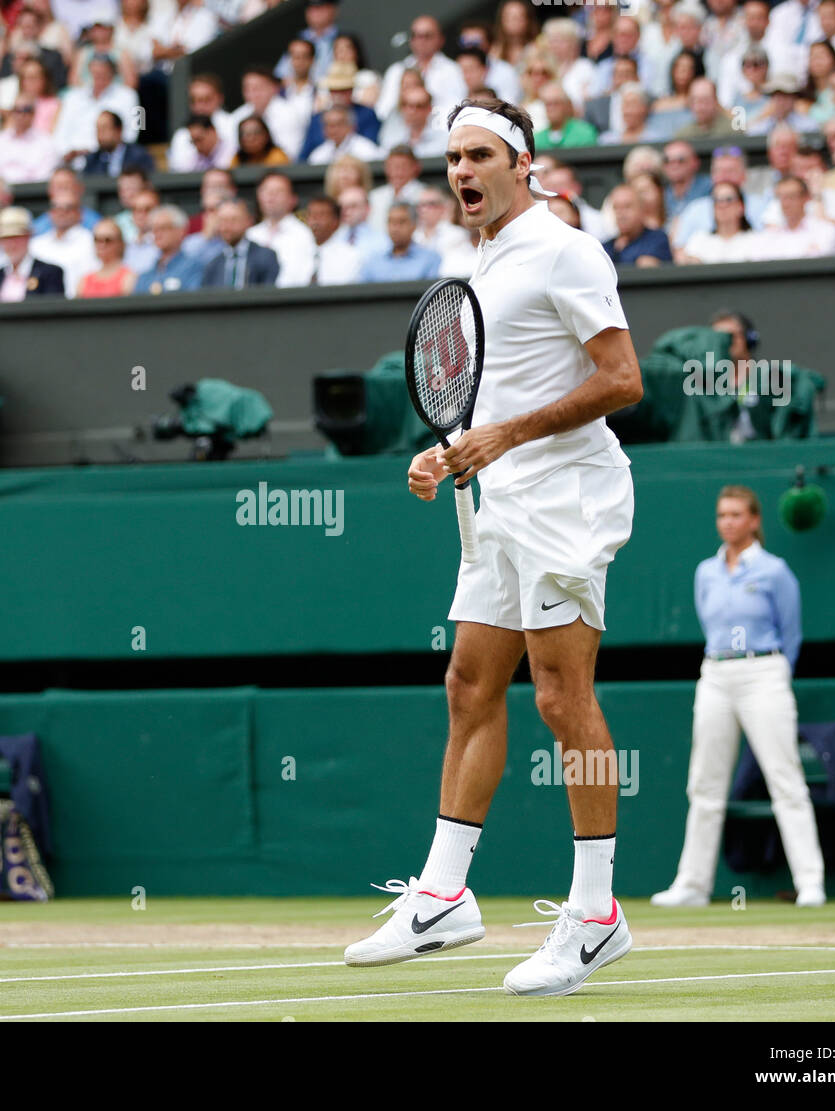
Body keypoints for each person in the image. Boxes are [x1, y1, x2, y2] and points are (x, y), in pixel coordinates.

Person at [347, 98, 643, 997]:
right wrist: (450, 449)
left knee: (561, 697)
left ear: (522, 162)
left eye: (479, 155)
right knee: (469, 685)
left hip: (567, 502)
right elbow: (494, 391)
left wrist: (504, 435)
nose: (462, 172)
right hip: (499, 503)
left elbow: (623, 379)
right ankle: (443, 894)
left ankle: (597, 914)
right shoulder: (475, 262)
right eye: (451, 160)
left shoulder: (565, 248)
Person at [652, 487, 826, 908]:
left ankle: (810, 884)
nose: (727, 521)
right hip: (715, 673)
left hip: (764, 671)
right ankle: (692, 885)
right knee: (704, 784)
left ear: (753, 520)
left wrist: (775, 670)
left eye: (736, 514)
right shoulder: (705, 572)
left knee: (785, 780)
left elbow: (792, 633)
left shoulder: (775, 571)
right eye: (721, 515)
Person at [0, 206, 66, 300]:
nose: (11, 244)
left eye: (16, 237)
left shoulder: (50, 274)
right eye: (6, 239)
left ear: (28, 237)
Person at [201, 198, 280, 288]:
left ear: (249, 221)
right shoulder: (212, 266)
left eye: (233, 220)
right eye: (222, 221)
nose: (226, 226)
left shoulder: (265, 257)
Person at [679, 181, 767, 262]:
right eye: (717, 200)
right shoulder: (699, 239)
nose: (722, 205)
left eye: (729, 199)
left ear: (741, 207)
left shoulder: (756, 240)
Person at [356, 200, 441, 282]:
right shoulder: (373, 261)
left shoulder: (430, 259)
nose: (395, 228)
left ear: (414, 225)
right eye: (391, 222)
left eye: (401, 222)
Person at [134, 205, 204, 294]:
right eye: (153, 229)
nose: (157, 233)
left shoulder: (194, 267)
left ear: (181, 231)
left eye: (163, 228)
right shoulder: (145, 275)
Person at [604, 182, 674, 265]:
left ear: (642, 210)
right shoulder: (606, 247)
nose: (620, 214)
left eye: (627, 207)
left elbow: (646, 265)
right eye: (616, 208)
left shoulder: (657, 239)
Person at [302, 192, 362, 285]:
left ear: (336, 222)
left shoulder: (350, 256)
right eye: (311, 214)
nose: (315, 221)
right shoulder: (295, 252)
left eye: (321, 215)